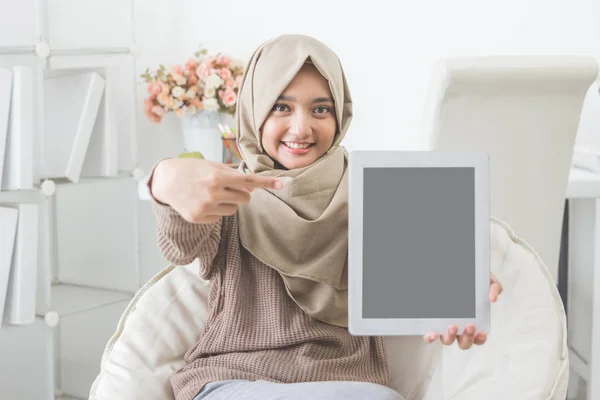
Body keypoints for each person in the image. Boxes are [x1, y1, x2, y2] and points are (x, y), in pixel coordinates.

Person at [148, 34, 503, 400]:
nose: (301, 129)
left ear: (340, 116)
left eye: (321, 109)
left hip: (351, 387)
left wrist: (461, 278)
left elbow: (429, 260)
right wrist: (166, 181)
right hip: (235, 380)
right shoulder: (227, 192)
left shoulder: (376, 194)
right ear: (253, 112)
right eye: (281, 107)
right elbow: (179, 246)